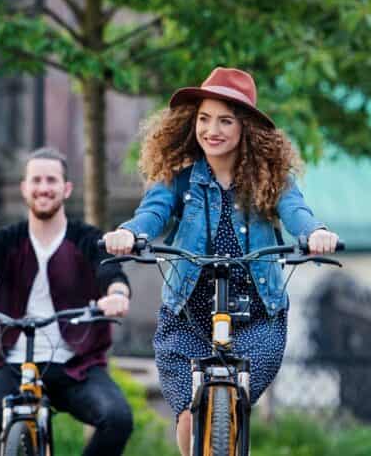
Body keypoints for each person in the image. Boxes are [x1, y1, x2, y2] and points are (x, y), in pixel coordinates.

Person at [103, 67, 339, 455]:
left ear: (246, 128)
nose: (212, 130)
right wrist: (130, 233)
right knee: (186, 415)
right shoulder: (179, 177)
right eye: (204, 119)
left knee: (236, 396)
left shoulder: (270, 177)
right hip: (187, 313)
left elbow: (295, 210)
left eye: (225, 120)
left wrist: (313, 234)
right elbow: (154, 211)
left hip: (256, 314)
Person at [0, 147, 133, 456]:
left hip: (74, 365)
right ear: (24, 188)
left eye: (51, 180)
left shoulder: (84, 236)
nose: (43, 188)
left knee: (117, 419)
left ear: (66, 188)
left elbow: (111, 272)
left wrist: (117, 296)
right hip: (12, 364)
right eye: (36, 180)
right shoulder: (7, 239)